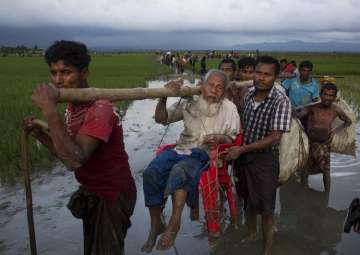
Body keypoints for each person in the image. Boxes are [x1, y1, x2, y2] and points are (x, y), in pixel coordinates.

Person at [23, 40, 136, 255]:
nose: (58, 81)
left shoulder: (101, 109)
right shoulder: (73, 107)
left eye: (65, 73)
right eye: (54, 73)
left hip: (112, 194)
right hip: (93, 190)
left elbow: (76, 159)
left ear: (84, 72)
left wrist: (49, 112)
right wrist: (40, 134)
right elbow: (68, 155)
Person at [141, 70, 240, 252]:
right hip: (181, 148)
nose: (214, 90)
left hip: (204, 152)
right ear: (202, 84)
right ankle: (156, 225)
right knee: (151, 173)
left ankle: (174, 223)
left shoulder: (229, 108)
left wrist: (219, 137)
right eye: (211, 85)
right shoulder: (190, 100)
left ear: (224, 91)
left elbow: (232, 138)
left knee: (181, 170)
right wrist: (163, 96)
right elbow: (162, 119)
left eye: (219, 87)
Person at [226, 56, 292, 255]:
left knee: (267, 208)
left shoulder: (281, 102)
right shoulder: (249, 95)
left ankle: (266, 250)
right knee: (247, 200)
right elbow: (242, 125)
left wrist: (242, 149)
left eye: (267, 74)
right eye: (258, 73)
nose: (261, 78)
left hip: (265, 160)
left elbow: (274, 138)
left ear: (275, 77)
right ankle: (252, 234)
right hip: (244, 158)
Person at [297, 82, 352, 192]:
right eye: (325, 94)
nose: (328, 98)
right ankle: (303, 190)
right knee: (306, 169)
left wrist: (335, 131)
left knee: (326, 170)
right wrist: (294, 112)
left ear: (335, 97)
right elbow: (299, 115)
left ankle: (327, 193)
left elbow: (347, 121)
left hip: (324, 143)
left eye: (331, 95)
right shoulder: (312, 108)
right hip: (309, 142)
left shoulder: (336, 109)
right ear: (320, 95)